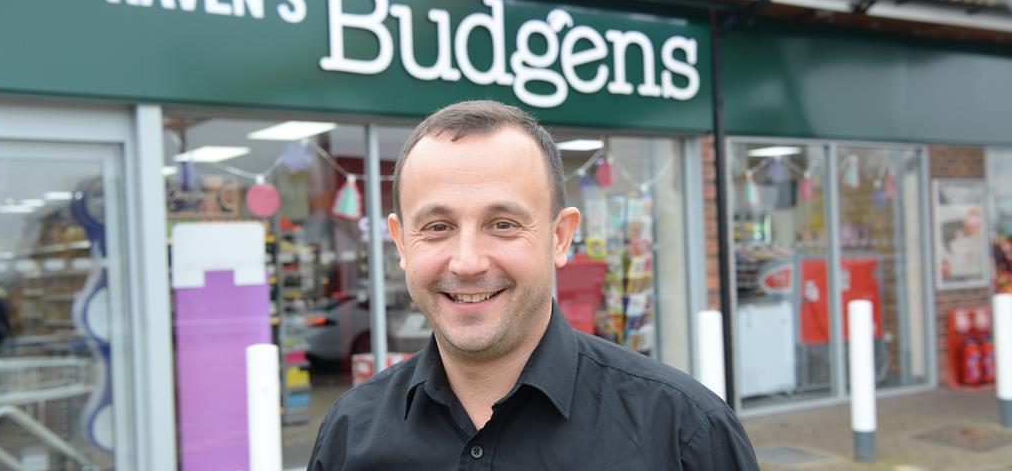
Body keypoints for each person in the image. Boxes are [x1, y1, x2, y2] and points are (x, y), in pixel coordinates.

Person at [308, 100, 759, 470]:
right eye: (438, 227)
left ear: (559, 237)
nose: (467, 262)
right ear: (402, 243)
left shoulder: (681, 434)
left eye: (503, 224)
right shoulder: (349, 435)